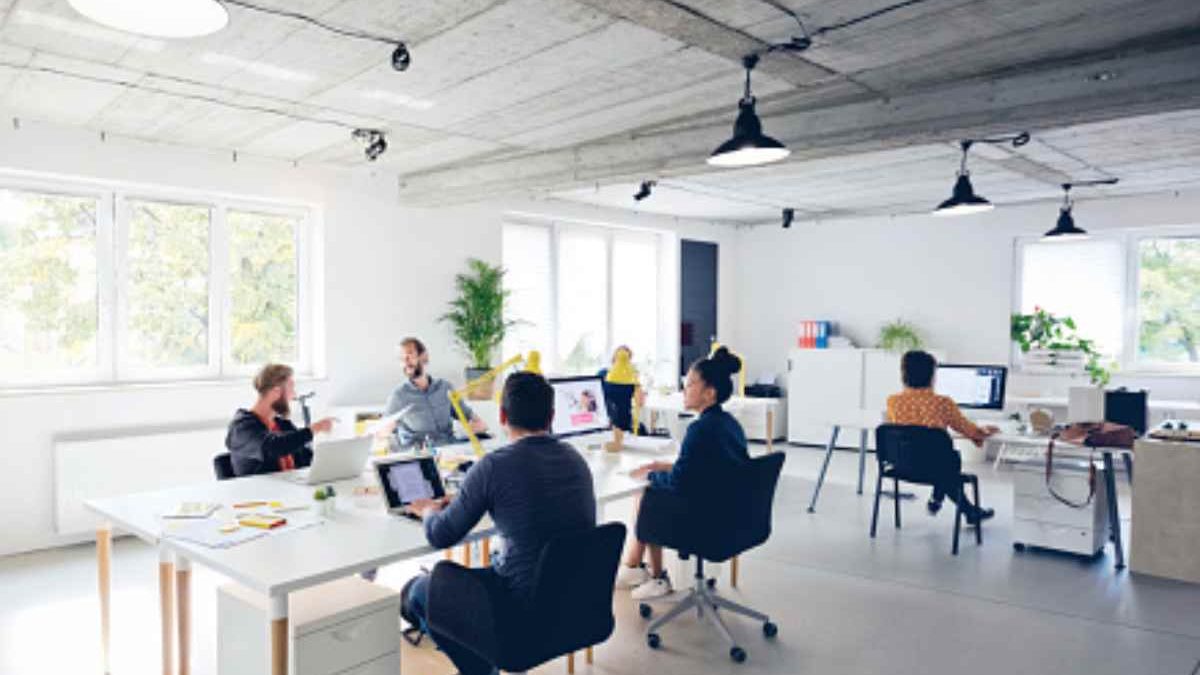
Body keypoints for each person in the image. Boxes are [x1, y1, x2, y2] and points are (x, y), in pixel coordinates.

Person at [401, 371, 597, 675]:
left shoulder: (494, 466)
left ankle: (481, 670)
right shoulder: (576, 459)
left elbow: (440, 535)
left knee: (416, 592)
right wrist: (473, 497)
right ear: (552, 416)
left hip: (518, 611)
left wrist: (427, 510)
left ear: (503, 415)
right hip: (572, 606)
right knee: (483, 570)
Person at [615, 347, 748, 600]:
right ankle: (634, 567)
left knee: (649, 493)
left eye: (690, 384)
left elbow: (680, 483)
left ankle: (655, 577)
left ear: (709, 393)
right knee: (653, 484)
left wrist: (651, 476)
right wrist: (664, 466)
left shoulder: (699, 430)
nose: (685, 389)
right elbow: (711, 468)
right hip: (733, 514)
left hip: (707, 520)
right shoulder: (728, 424)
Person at [886, 350, 998, 524]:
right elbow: (968, 430)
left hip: (903, 465)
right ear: (932, 375)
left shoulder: (893, 401)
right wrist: (983, 431)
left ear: (904, 374)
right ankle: (955, 505)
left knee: (940, 460)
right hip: (938, 468)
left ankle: (957, 507)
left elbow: (906, 430)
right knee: (948, 463)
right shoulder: (942, 403)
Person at [225, 363, 336, 476]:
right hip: (261, 492)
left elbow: (307, 459)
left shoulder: (283, 425)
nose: (294, 395)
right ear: (276, 391)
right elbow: (273, 447)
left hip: (292, 490)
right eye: (291, 388)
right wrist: (314, 429)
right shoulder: (241, 428)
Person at [385, 337, 487, 448]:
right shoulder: (398, 397)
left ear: (424, 357)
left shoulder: (445, 388)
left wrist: (478, 426)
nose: (405, 362)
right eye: (401, 359)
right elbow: (384, 431)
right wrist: (384, 430)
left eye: (410, 355)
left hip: (451, 451)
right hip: (422, 456)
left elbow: (472, 418)